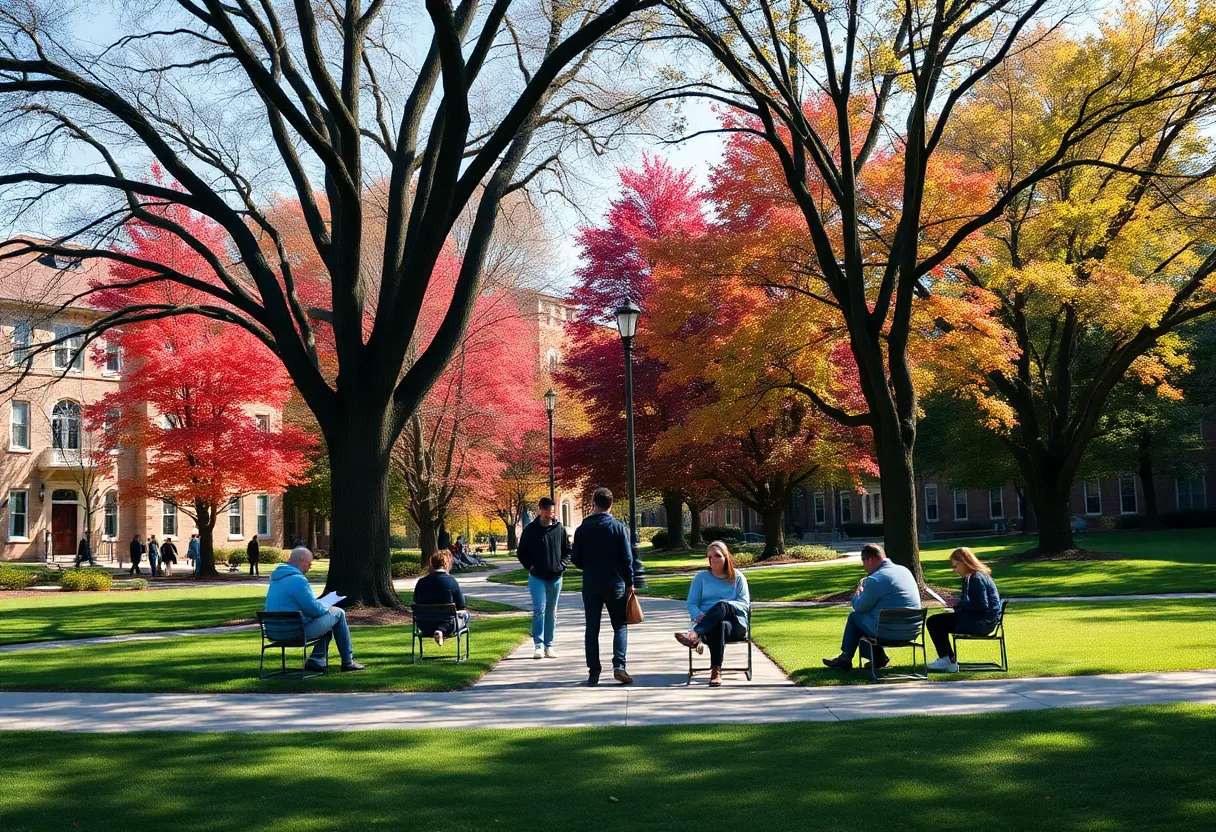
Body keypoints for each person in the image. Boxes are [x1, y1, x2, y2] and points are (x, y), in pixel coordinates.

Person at [264, 547, 366, 672]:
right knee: (338, 613)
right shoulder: (298, 580)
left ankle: (317, 659)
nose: (310, 567)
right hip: (294, 632)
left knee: (326, 620)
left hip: (273, 632)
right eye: (309, 563)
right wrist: (325, 608)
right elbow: (314, 610)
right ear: (302, 561)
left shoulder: (276, 580)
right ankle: (348, 661)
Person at [822, 543, 921, 671]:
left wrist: (857, 594)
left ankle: (845, 658)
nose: (864, 567)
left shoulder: (876, 579)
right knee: (867, 620)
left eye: (863, 562)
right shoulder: (904, 571)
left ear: (870, 560)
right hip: (912, 630)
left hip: (889, 632)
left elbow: (859, 607)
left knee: (855, 618)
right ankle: (877, 657)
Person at [571, 487, 635, 686]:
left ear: (593, 503)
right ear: (611, 504)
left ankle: (594, 671)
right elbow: (627, 558)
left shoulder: (582, 529)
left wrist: (588, 565)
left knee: (592, 629)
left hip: (591, 583)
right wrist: (630, 581)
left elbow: (576, 559)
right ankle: (619, 666)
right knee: (620, 626)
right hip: (615, 582)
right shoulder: (617, 527)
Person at [675, 541, 751, 687]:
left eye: (717, 555)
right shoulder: (701, 578)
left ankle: (694, 634)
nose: (713, 559)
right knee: (718, 624)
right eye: (710, 556)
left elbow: (744, 604)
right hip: (710, 626)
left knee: (721, 606)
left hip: (736, 624)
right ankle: (716, 671)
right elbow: (692, 603)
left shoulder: (738, 577)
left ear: (726, 557)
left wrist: (726, 605)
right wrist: (699, 615)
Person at [927, 548, 1002, 672]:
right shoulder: (974, 577)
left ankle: (947, 660)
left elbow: (982, 604)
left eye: (955, 565)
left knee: (934, 621)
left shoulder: (976, 578)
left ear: (963, 562)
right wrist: (956, 605)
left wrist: (958, 603)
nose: (954, 569)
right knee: (938, 621)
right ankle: (949, 660)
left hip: (981, 623)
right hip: (984, 620)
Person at [517, 496, 572, 659]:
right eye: (548, 511)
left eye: (553, 511)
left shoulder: (559, 529)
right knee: (539, 609)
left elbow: (567, 550)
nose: (551, 514)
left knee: (551, 611)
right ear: (541, 510)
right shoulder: (530, 530)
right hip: (537, 577)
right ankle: (538, 645)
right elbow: (521, 553)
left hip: (555, 576)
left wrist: (562, 565)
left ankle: (549, 645)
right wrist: (530, 566)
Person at [412, 550, 470, 646]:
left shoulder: (421, 582)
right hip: (448, 624)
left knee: (442, 619)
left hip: (424, 624)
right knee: (466, 615)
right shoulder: (451, 582)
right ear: (446, 564)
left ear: (432, 564)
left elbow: (416, 601)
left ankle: (439, 631)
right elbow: (461, 606)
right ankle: (441, 630)